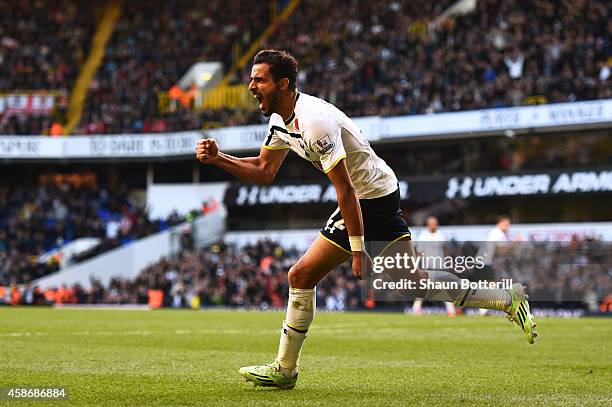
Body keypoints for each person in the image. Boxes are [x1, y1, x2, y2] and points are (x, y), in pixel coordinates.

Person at [195, 49, 537, 390]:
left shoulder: (314, 120)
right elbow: (263, 170)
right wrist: (219, 158)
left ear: (282, 84)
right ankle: (506, 298)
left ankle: (285, 370)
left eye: (259, 79)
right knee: (414, 281)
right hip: (372, 193)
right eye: (252, 79)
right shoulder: (279, 122)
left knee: (300, 274)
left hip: (370, 197)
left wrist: (358, 251)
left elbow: (345, 190)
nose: (251, 86)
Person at [412, 216, 456, 316]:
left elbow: (445, 250)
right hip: (427, 266)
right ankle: (416, 309)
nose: (434, 226)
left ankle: (451, 310)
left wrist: (450, 262)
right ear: (428, 224)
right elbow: (419, 252)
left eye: (435, 224)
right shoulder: (423, 236)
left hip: (440, 265)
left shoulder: (441, 235)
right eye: (432, 224)